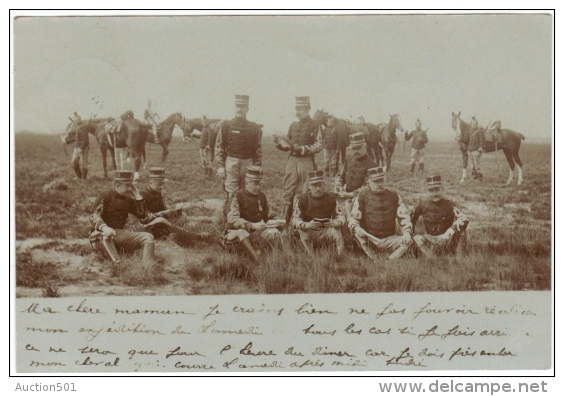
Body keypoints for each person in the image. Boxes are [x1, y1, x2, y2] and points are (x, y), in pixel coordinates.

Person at [89, 170, 160, 267]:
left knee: (148, 237)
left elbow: (144, 217)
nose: (130, 188)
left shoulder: (128, 200)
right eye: (127, 186)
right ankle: (118, 264)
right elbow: (94, 215)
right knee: (105, 236)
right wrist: (105, 228)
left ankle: (148, 265)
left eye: (131, 185)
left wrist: (138, 197)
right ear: (118, 185)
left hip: (120, 234)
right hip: (100, 234)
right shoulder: (105, 196)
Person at [273, 96, 322, 226]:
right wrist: (278, 143)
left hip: (306, 160)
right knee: (288, 189)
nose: (298, 111)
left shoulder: (315, 125)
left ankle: (306, 222)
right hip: (292, 160)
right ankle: (285, 222)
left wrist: (303, 149)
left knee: (307, 191)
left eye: (300, 108)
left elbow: (319, 145)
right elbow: (288, 145)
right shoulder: (293, 125)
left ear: (308, 109)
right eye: (297, 108)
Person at [348, 167, 413, 260]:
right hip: (369, 239)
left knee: (409, 240)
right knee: (357, 235)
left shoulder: (394, 195)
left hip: (390, 238)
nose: (379, 184)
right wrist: (356, 228)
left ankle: (390, 260)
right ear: (369, 183)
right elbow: (354, 217)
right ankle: (373, 257)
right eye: (375, 182)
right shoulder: (362, 196)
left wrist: (406, 232)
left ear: (385, 180)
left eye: (381, 181)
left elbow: (404, 216)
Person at [223, 166, 283, 264]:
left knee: (275, 232)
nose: (258, 187)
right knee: (243, 232)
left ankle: (281, 257)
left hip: (255, 234)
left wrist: (276, 220)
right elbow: (232, 219)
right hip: (235, 235)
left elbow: (266, 216)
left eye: (259, 184)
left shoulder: (262, 196)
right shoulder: (237, 196)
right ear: (247, 182)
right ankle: (257, 258)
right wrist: (252, 225)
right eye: (254, 184)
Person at [215, 95, 263, 216]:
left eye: (243, 106)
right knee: (231, 193)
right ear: (234, 107)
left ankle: (245, 220)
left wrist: (257, 166)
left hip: (248, 163)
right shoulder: (226, 125)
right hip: (231, 162)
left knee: (246, 192)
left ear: (247, 108)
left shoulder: (253, 127)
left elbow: (257, 148)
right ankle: (229, 224)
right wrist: (220, 165)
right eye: (238, 106)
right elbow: (219, 146)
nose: (240, 109)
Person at [140, 167, 213, 246]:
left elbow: (162, 208)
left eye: (162, 184)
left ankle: (171, 232)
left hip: (159, 222)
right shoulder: (142, 195)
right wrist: (161, 214)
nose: (161, 187)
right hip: (148, 226)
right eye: (159, 184)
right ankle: (196, 236)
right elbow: (143, 217)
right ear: (150, 182)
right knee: (161, 220)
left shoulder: (157, 192)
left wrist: (172, 211)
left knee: (183, 215)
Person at [411, 175, 469, 259]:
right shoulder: (422, 205)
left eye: (437, 190)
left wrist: (449, 232)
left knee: (461, 231)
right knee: (417, 238)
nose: (434, 194)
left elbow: (464, 218)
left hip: (447, 239)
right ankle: (432, 258)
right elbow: (410, 219)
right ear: (427, 192)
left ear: (442, 190)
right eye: (431, 191)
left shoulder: (449, 205)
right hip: (431, 239)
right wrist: (409, 233)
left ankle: (459, 259)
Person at [292, 170, 345, 257]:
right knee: (301, 231)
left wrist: (335, 222)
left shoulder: (331, 198)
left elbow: (341, 216)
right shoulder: (302, 199)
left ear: (324, 185)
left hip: (326, 230)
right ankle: (311, 256)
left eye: (320, 185)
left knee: (337, 230)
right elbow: (295, 219)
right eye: (314, 186)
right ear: (309, 186)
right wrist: (307, 225)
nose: (318, 189)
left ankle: (340, 256)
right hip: (310, 230)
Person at [334, 132, 376, 217]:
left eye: (358, 148)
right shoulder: (349, 158)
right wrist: (339, 186)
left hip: (361, 199)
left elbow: (367, 187)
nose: (356, 151)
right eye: (354, 148)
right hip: (345, 195)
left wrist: (352, 195)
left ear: (365, 146)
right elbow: (340, 175)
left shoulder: (372, 164)